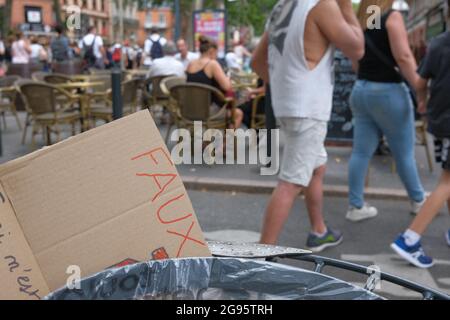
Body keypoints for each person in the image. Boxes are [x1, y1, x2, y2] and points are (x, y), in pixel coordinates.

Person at [252, 0, 365, 251]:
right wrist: (346, 6)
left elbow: (257, 62)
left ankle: (319, 230)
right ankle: (260, 257)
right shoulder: (323, 4)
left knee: (317, 168)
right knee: (291, 182)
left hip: (288, 104)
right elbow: (357, 48)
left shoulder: (283, 6)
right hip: (308, 109)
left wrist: (286, 86)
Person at [347, 0, 426, 223]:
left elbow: (356, 60)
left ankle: (356, 205)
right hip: (389, 91)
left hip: (361, 89)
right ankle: (419, 200)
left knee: (361, 152)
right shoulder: (392, 17)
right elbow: (403, 57)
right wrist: (419, 87)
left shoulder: (364, 20)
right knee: (404, 152)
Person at [391, 22, 450, 268]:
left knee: (448, 178)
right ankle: (410, 238)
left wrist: (423, 104)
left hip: (440, 120)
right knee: (447, 181)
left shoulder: (437, 42)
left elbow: (420, 82)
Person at [186, 36, 232, 109]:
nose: (216, 56)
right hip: (208, 110)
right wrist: (228, 78)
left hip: (191, 108)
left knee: (198, 119)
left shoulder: (191, 64)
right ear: (212, 51)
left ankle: (197, 121)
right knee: (237, 113)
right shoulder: (212, 64)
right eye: (216, 53)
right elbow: (227, 87)